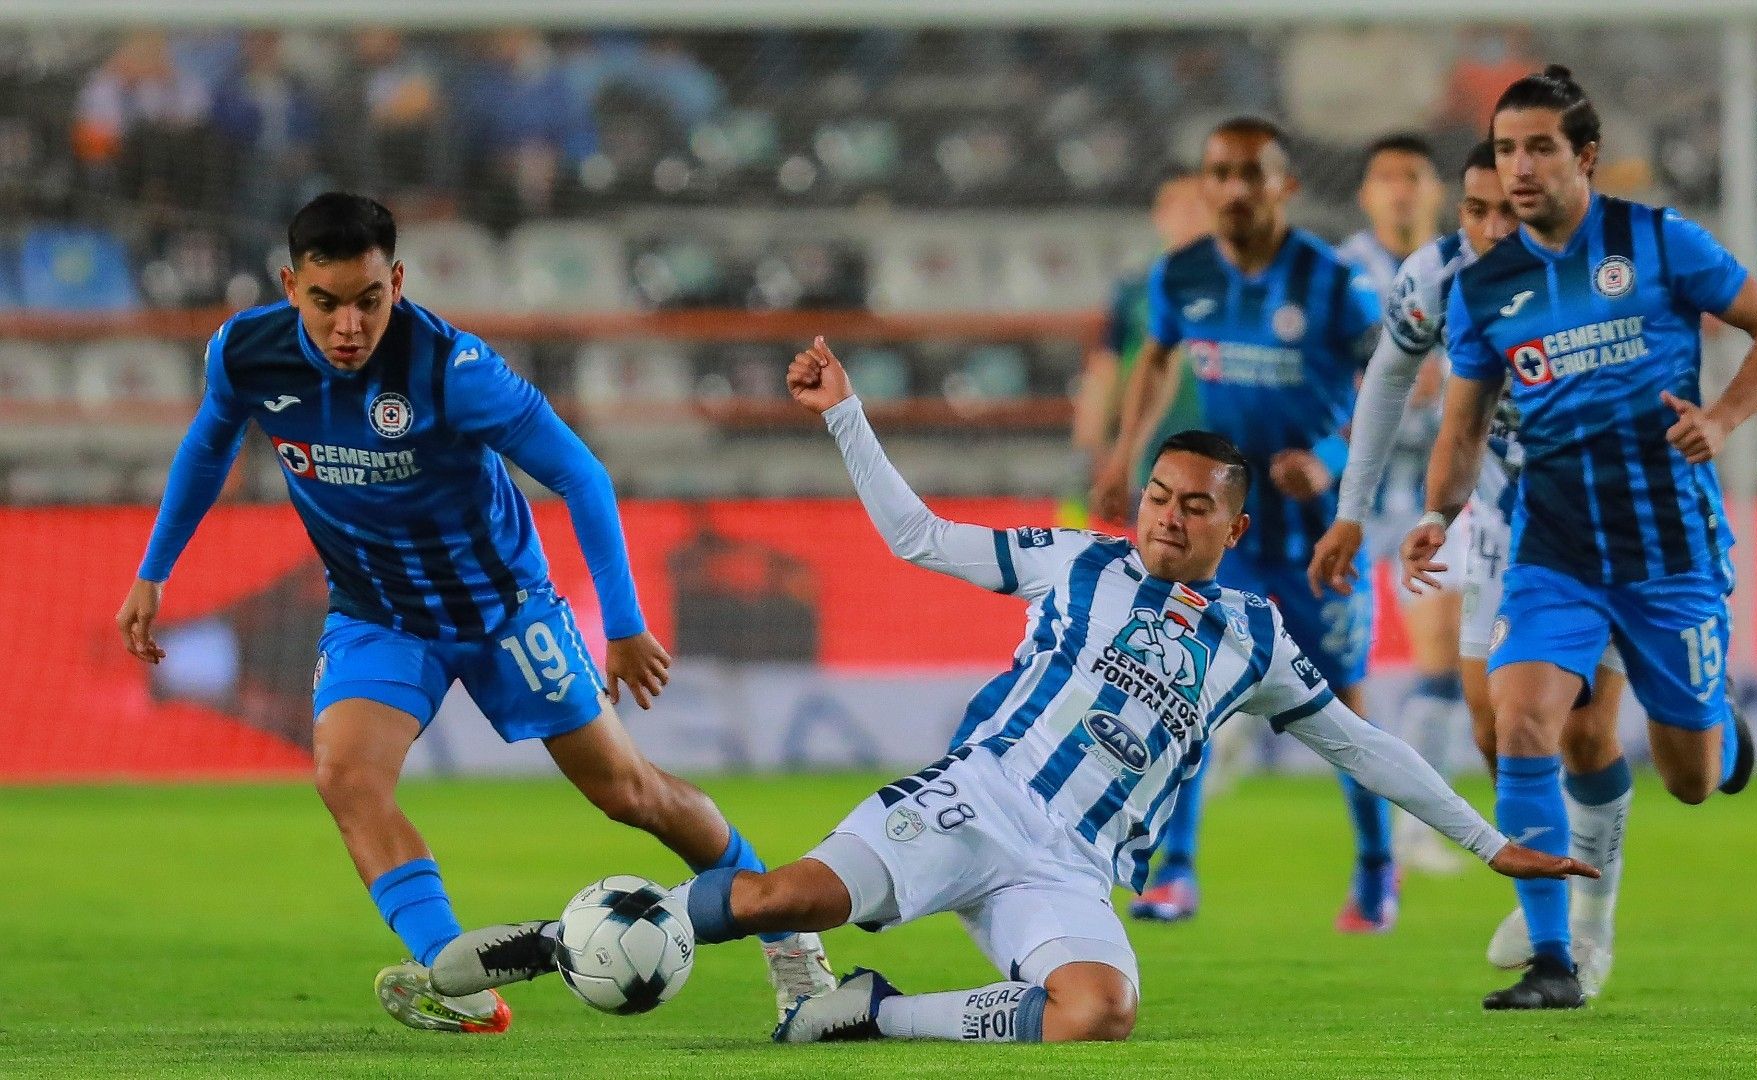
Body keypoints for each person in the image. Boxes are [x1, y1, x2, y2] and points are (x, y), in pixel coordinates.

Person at [430, 337, 1596, 1045]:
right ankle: (553, 939)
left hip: (1071, 870)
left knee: (1100, 1013)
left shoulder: (1254, 635)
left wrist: (1489, 843)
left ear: (1236, 527)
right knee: (787, 900)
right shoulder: (1073, 559)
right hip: (973, 802)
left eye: (1196, 506)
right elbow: (916, 537)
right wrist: (844, 410)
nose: (1168, 516)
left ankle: (871, 1013)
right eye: (1157, 496)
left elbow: (1364, 746)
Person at [114, 193, 832, 1034]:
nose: (349, 324)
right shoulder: (246, 352)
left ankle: (788, 940)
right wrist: (153, 571)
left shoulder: (452, 369)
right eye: (326, 301)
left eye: (370, 300)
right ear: (290, 284)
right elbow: (208, 445)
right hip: (377, 615)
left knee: (630, 792)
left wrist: (626, 623)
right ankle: (459, 981)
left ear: (399, 282)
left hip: (504, 614)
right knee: (346, 778)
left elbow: (582, 476)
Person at [1405, 67, 1757, 1009]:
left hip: (1671, 550)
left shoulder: (1659, 242)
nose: (1520, 167)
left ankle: (1718, 728)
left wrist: (1726, 419)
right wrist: (1436, 514)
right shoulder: (1485, 288)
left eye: (1540, 147)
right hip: (1557, 551)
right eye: (1506, 150)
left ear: (1584, 156)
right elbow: (1462, 430)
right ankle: (1557, 961)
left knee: (1693, 779)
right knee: (1523, 724)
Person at [1311, 140, 1634, 998]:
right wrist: (1353, 509)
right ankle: (1551, 923)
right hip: (1492, 523)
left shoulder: (1602, 270)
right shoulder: (1438, 276)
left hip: (1600, 528)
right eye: (1474, 210)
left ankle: (1587, 922)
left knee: (1590, 736)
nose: (1492, 228)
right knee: (1496, 728)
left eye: (1508, 209)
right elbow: (1385, 382)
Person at [1089, 117, 1394, 930]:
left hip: (1315, 531)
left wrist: (1330, 453)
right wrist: (1126, 456)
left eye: (1249, 174)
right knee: (1179, 691)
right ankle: (1173, 873)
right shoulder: (1182, 274)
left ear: (1283, 186)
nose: (1230, 188)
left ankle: (1375, 870)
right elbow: (1154, 356)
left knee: (1341, 711)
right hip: (1223, 531)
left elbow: (1392, 379)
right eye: (1217, 172)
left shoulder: (1331, 282)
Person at [1333, 132, 1470, 876]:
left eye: (1412, 176)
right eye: (1385, 177)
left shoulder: (1466, 265)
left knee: (1440, 648)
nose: (1399, 190)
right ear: (1365, 194)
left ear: (1434, 189)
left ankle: (1419, 824)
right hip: (1349, 493)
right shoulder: (1337, 273)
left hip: (1432, 494)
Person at [1064, 169, 1210, 528]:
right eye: (1178, 206)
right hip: (1150, 451)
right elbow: (1106, 368)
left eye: (1200, 205)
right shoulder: (1135, 292)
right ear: (1160, 215)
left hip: (1222, 445)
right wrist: (1091, 446)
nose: (1189, 215)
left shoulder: (1246, 289)